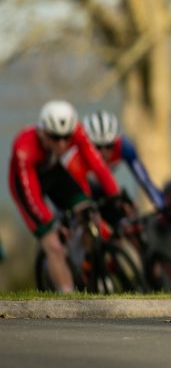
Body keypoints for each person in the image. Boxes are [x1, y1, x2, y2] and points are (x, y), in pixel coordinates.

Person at [7, 101, 121, 292]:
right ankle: (67, 296)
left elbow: (98, 165)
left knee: (89, 212)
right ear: (43, 132)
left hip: (54, 173)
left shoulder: (76, 130)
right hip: (26, 185)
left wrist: (114, 195)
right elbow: (32, 196)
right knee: (54, 245)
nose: (62, 144)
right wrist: (52, 224)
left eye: (66, 138)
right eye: (56, 138)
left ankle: (92, 270)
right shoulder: (24, 147)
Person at [65, 111, 165, 210]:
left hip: (106, 188)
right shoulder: (76, 154)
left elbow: (144, 180)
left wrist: (160, 204)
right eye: (97, 147)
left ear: (115, 141)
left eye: (109, 146)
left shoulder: (124, 147)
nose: (103, 153)